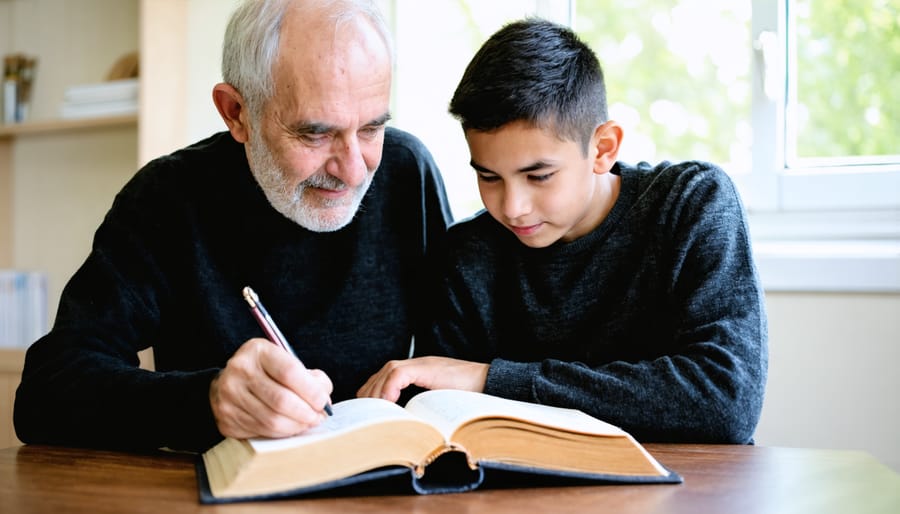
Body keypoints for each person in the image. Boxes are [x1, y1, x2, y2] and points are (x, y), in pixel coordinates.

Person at [14, 0, 451, 452]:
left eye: (371, 128)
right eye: (316, 134)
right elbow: (45, 393)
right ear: (236, 112)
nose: (356, 171)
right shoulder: (167, 197)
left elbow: (462, 360)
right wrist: (208, 401)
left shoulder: (405, 173)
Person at [359, 18, 768, 444]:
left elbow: (726, 403)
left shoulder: (691, 203)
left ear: (603, 148)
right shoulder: (468, 256)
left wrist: (492, 380)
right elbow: (446, 423)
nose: (512, 208)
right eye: (490, 177)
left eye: (538, 176)